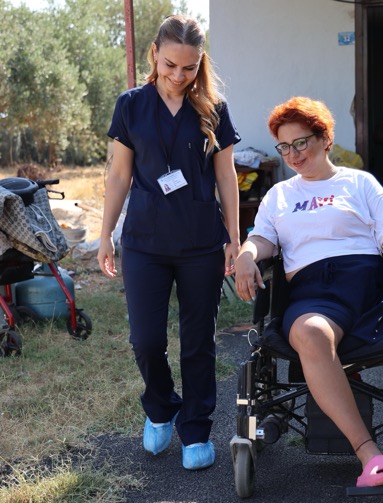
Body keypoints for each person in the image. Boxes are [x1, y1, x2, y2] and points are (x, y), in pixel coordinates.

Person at [234, 96, 383, 487]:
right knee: (311, 333)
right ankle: (371, 457)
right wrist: (246, 255)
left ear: (325, 139)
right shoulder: (279, 195)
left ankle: (370, 453)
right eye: (284, 147)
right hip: (312, 294)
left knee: (318, 332)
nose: (293, 154)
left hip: (365, 287)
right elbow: (261, 239)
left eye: (301, 143)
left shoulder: (359, 183)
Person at [97, 15, 241, 471]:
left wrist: (234, 238)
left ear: (201, 62)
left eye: (190, 67)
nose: (179, 75)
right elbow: (119, 175)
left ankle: (196, 430)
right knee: (146, 340)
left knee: (197, 343)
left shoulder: (214, 108)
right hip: (144, 242)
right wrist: (105, 233)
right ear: (155, 54)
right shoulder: (131, 105)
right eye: (171, 65)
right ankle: (161, 408)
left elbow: (226, 177)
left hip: (200, 241)